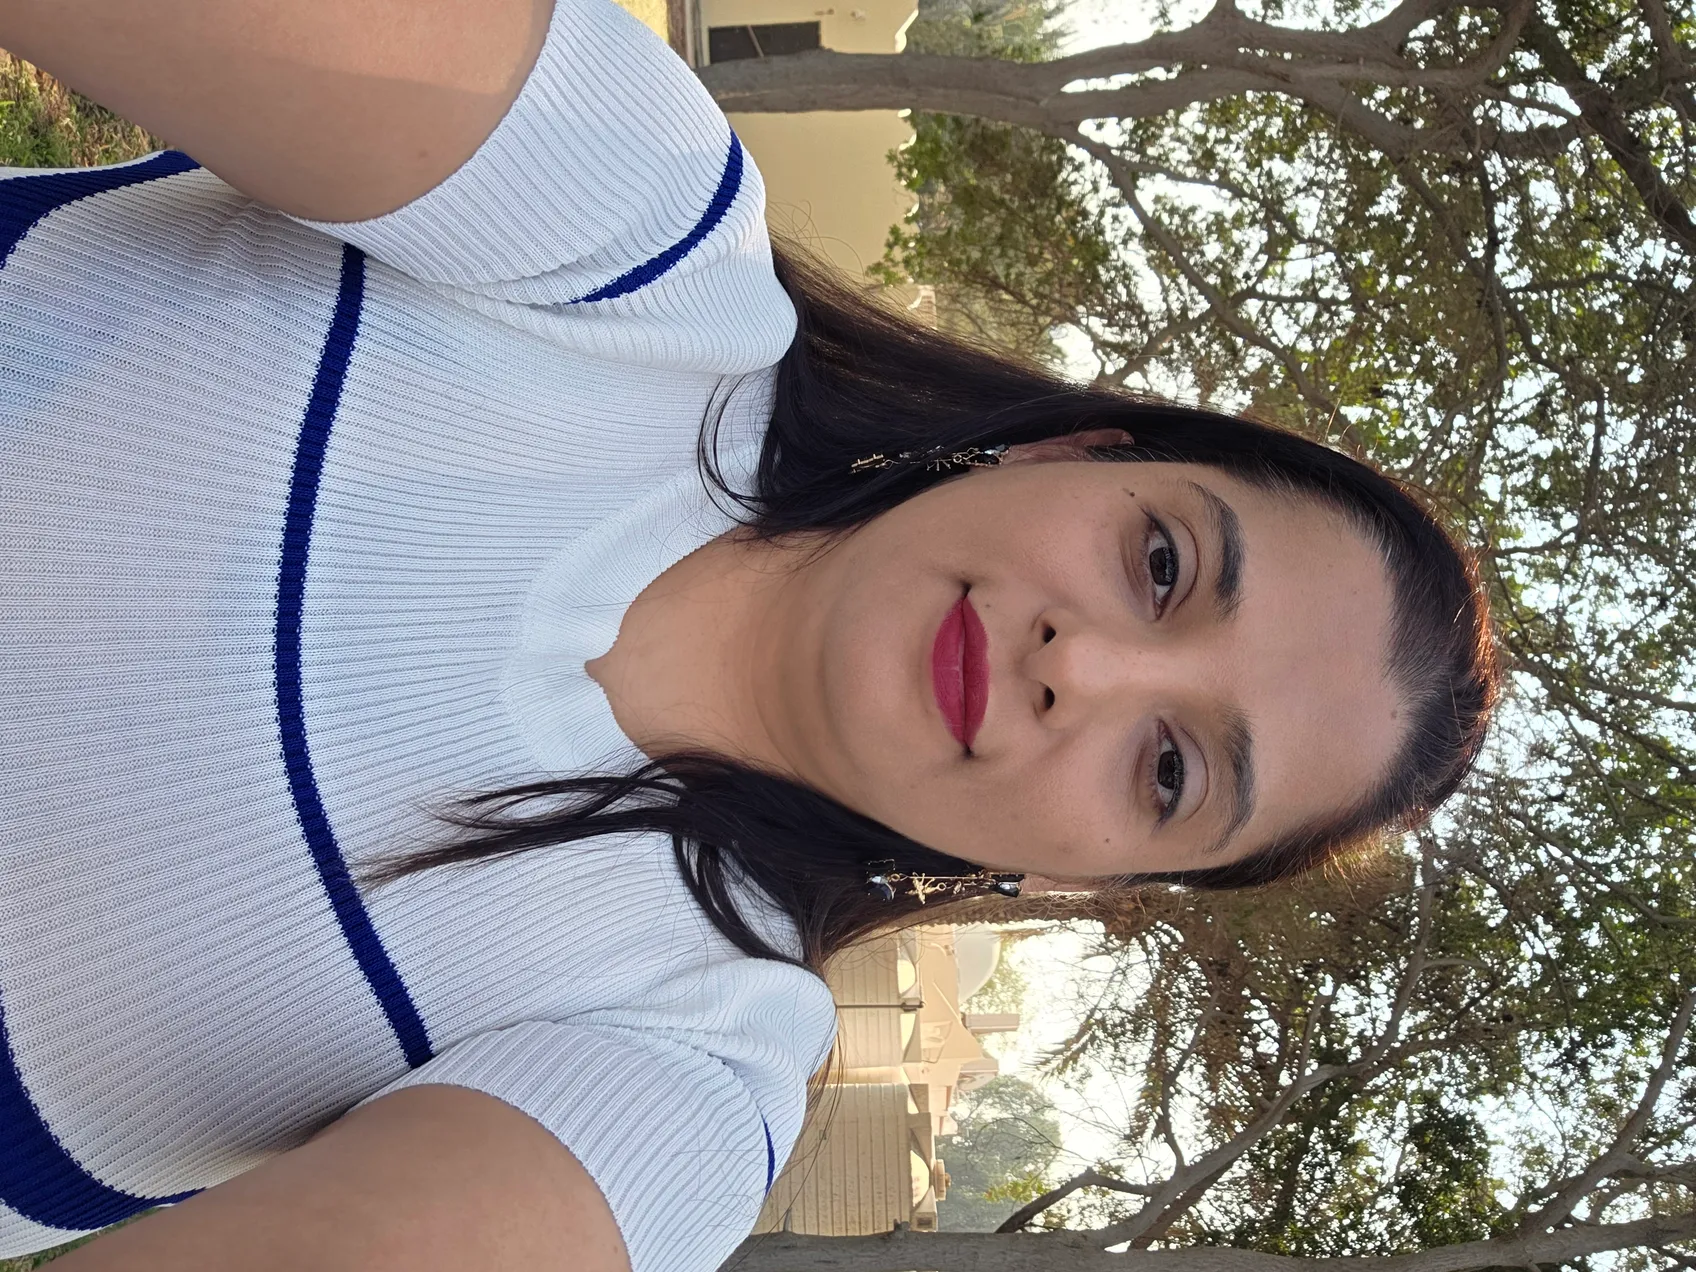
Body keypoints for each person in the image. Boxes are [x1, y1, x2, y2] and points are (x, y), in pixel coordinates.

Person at [0, 0, 1497, 1268]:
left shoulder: (687, 1077)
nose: (1079, 667)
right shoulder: (640, 235)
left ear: (1081, 876)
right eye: (1163, 564)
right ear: (1071, 454)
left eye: (1170, 771)